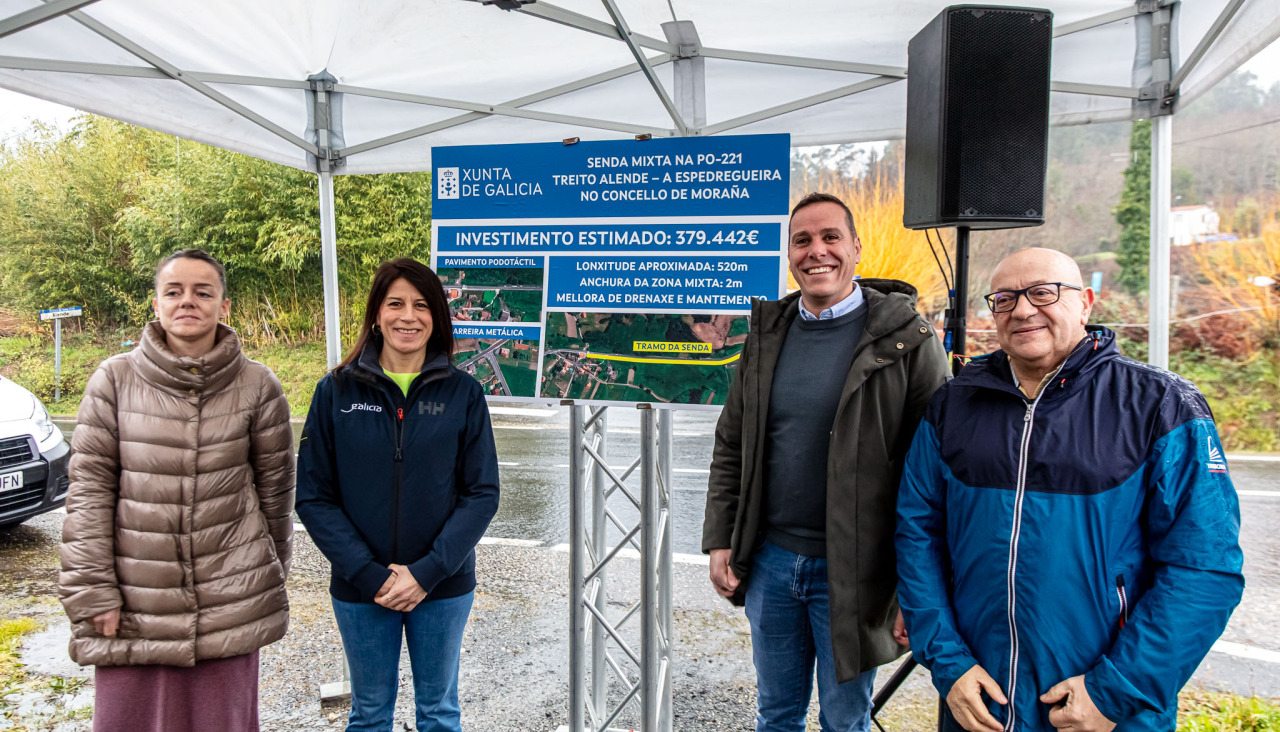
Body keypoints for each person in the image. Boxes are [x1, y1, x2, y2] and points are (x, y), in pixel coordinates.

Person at [895, 247, 1244, 732]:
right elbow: (917, 533)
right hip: (980, 702)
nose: (1021, 309)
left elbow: (1204, 569)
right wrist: (948, 664)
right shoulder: (954, 404)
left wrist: (1116, 691)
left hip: (1100, 711)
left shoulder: (1160, 405)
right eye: (1005, 299)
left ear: (1085, 303)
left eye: (1043, 292)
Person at [703, 193, 950, 731]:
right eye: (803, 240)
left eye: (830, 237)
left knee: (844, 722)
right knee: (777, 716)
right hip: (770, 565)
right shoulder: (767, 336)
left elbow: (936, 475)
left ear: (856, 247)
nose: (817, 252)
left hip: (857, 573)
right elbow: (732, 444)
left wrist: (919, 587)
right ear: (789, 253)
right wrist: (721, 538)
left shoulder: (908, 339)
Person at [58, 249, 294, 732]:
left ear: (224, 306)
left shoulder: (258, 385)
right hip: (133, 600)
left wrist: (259, 584)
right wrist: (94, 590)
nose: (188, 301)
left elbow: (275, 497)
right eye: (174, 291)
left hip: (228, 598)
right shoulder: (115, 380)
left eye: (203, 292)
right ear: (156, 303)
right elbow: (88, 492)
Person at [296, 258, 500, 732]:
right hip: (361, 587)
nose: (408, 316)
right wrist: (370, 577)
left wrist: (426, 573)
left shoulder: (464, 393)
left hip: (442, 586)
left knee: (439, 714)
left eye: (422, 305)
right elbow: (313, 497)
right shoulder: (335, 392)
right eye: (396, 303)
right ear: (376, 314)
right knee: (368, 715)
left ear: (437, 319)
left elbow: (482, 494)